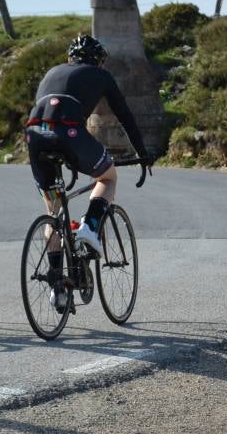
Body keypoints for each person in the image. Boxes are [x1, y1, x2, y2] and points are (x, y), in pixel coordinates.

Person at [25, 34, 152, 284]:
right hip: (69, 133)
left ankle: (57, 286)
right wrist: (142, 153)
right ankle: (90, 226)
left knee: (53, 210)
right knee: (107, 176)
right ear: (99, 62)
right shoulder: (101, 75)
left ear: (69, 58)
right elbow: (124, 115)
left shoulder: (52, 72)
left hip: (35, 136)